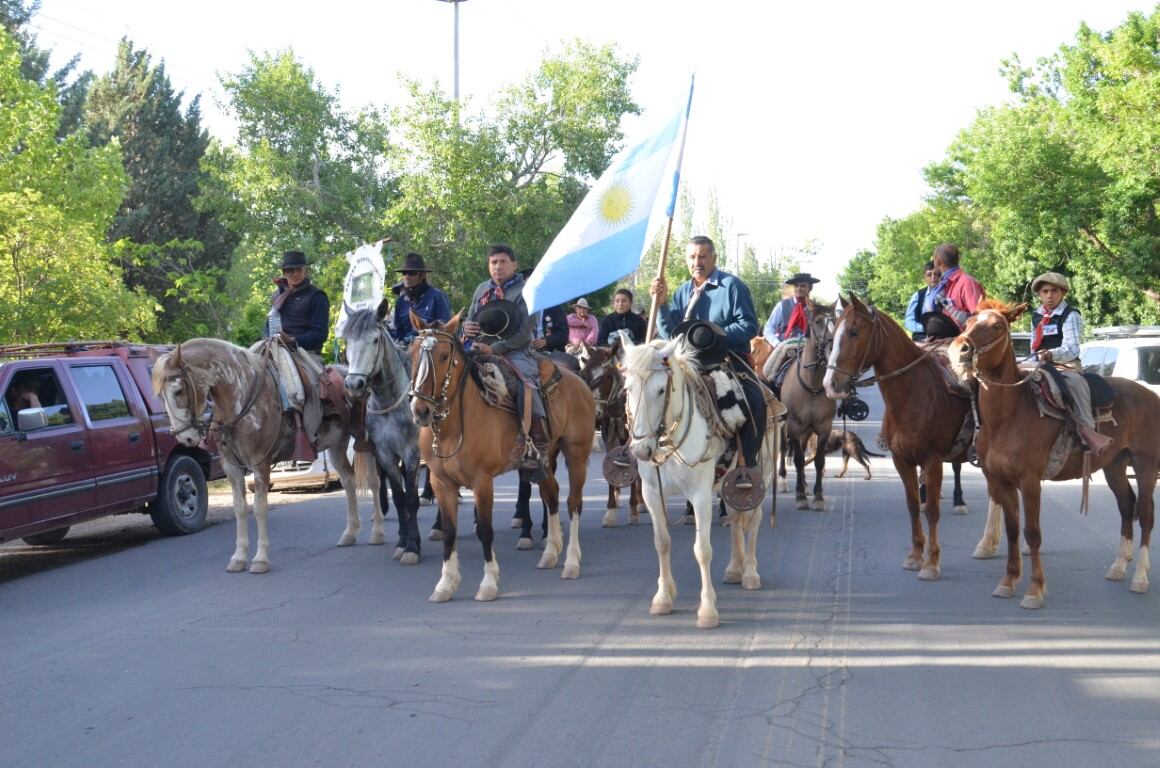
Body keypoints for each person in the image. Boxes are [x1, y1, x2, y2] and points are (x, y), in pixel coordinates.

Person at [644, 235, 767, 489]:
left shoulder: (732, 286)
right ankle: (650, 449)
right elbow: (671, 335)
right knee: (653, 391)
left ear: (713, 258)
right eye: (692, 257)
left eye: (702, 256)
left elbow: (749, 325)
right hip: (689, 362)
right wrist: (663, 305)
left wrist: (714, 337)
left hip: (728, 359)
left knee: (754, 400)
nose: (697, 262)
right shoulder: (681, 292)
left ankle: (746, 463)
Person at [462, 244, 549, 477]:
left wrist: (494, 349)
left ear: (514, 264)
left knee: (524, 383)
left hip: (516, 351)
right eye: (493, 262)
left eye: (502, 262)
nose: (497, 267)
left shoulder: (527, 291)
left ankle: (536, 443)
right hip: (478, 347)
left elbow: (523, 333)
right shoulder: (482, 289)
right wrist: (466, 327)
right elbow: (471, 318)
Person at [1028, 271, 1114, 454]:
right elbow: (1033, 344)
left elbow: (1073, 348)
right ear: (1039, 294)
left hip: (1065, 365)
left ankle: (1087, 431)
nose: (1049, 295)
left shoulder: (1070, 315)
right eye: (1045, 291)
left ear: (1063, 293)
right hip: (1040, 365)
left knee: (1076, 384)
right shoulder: (1036, 316)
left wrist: (1050, 355)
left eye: (1054, 291)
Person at [265, 250, 330, 362]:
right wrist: (267, 339)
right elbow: (268, 325)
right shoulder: (277, 295)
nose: (295, 273)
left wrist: (293, 340)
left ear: (305, 271)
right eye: (290, 270)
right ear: (284, 272)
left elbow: (320, 333)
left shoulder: (317, 296)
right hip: (275, 349)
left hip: (305, 354)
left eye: (298, 269)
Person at [761, 272, 821, 388]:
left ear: (809, 288)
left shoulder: (816, 309)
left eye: (803, 286)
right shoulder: (782, 306)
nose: (799, 288)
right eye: (796, 286)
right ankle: (770, 394)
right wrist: (777, 343)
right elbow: (768, 328)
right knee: (769, 375)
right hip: (785, 349)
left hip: (808, 348)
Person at [388, 252, 451, 347]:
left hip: (430, 351)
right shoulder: (401, 302)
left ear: (422, 275)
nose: (407, 277)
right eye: (404, 273)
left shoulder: (437, 297)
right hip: (405, 352)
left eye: (411, 273)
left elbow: (445, 331)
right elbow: (398, 333)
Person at [922, 243, 985, 331]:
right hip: (942, 340)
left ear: (938, 262)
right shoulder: (944, 285)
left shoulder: (966, 283)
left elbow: (981, 318)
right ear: (959, 259)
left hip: (962, 341)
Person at [904, 261, 938, 341]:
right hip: (921, 338)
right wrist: (926, 328)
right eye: (929, 275)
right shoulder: (918, 296)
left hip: (945, 337)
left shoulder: (948, 294)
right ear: (925, 278)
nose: (933, 277)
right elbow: (909, 322)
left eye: (936, 274)